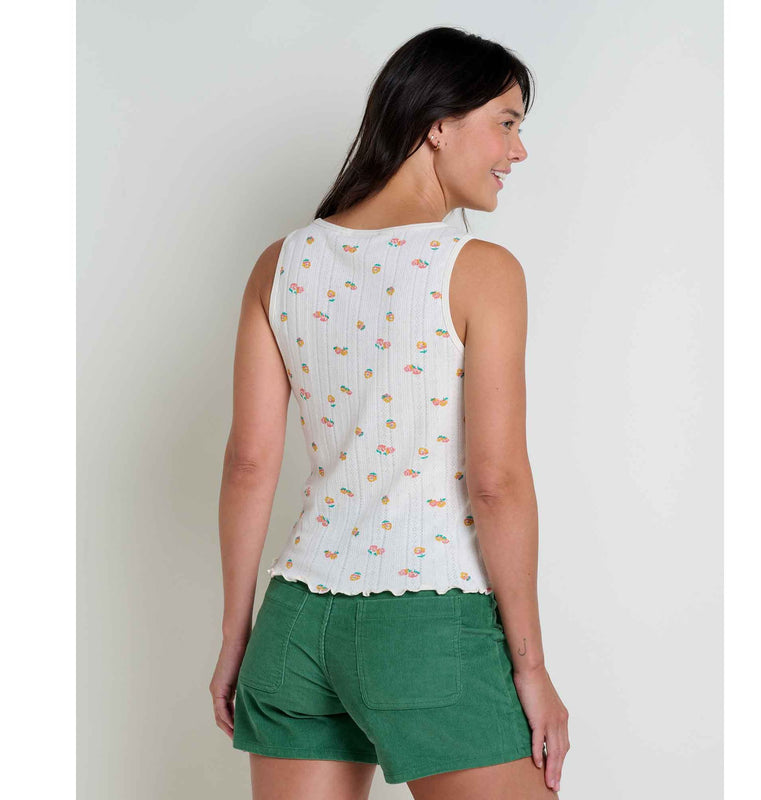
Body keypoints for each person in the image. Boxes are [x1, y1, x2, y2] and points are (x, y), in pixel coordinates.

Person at [210, 26, 570, 800]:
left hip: (294, 629)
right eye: (506, 123)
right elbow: (498, 482)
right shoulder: (480, 271)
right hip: (428, 626)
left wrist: (237, 638)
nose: (517, 151)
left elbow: (248, 465)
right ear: (438, 125)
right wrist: (532, 670)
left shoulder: (282, 264)